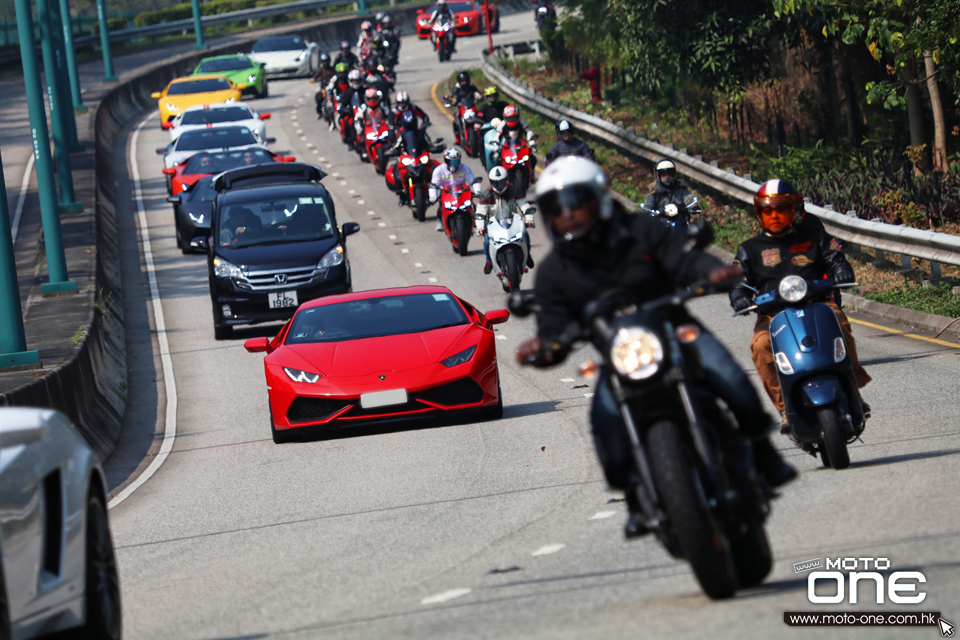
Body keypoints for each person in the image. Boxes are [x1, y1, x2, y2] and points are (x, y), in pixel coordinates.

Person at [514, 157, 796, 539]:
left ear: (597, 198)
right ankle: (636, 498)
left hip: (674, 330)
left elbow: (684, 258)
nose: (569, 215)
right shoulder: (553, 272)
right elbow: (551, 325)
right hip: (623, 357)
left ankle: (765, 455)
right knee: (604, 418)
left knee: (728, 376)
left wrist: (710, 273)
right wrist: (544, 346)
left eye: (577, 203)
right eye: (557, 210)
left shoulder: (640, 229)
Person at [729, 179, 872, 430]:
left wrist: (842, 270)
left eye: (781, 209)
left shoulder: (814, 237)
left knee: (840, 323)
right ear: (759, 214)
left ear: (793, 210)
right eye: (768, 210)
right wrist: (738, 295)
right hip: (773, 316)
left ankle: (852, 389)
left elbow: (835, 258)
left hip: (818, 305)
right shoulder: (750, 249)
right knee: (760, 345)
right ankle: (785, 407)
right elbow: (737, 280)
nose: (775, 215)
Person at [475, 165, 535, 273]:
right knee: (487, 240)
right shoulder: (486, 195)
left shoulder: (515, 191)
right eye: (495, 182)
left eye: (501, 182)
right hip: (494, 223)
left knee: (525, 235)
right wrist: (480, 227)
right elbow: (480, 213)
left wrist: (529, 219)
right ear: (491, 182)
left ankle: (527, 255)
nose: (498, 186)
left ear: (507, 180)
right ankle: (489, 260)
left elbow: (524, 205)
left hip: (513, 220)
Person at [430, 148, 475, 231]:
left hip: (462, 191)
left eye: (456, 161)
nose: (453, 164)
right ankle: (440, 221)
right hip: (446, 192)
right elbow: (434, 184)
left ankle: (473, 219)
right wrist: (433, 196)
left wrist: (477, 190)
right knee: (441, 207)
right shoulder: (439, 170)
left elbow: (472, 180)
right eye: (451, 162)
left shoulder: (464, 168)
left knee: (471, 205)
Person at [354, 88, 389, 159]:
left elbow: (389, 114)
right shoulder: (363, 107)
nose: (372, 101)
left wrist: (389, 124)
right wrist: (360, 125)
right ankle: (363, 151)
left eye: (374, 98)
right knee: (360, 138)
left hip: (381, 125)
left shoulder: (382, 105)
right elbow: (358, 117)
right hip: (368, 127)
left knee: (392, 134)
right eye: (370, 99)